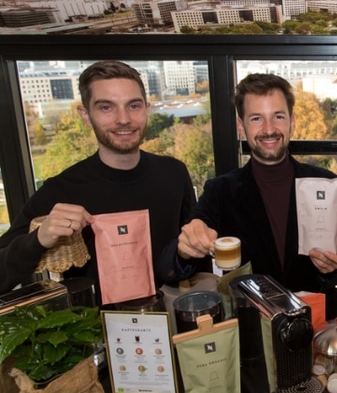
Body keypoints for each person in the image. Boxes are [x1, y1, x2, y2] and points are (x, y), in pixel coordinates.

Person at [0, 60, 196, 304]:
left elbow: (191, 251)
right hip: (91, 335)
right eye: (106, 108)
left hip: (170, 326)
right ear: (86, 115)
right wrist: (39, 238)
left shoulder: (174, 173)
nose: (123, 119)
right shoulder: (60, 190)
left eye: (133, 106)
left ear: (146, 109)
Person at [164, 73, 337, 318]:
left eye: (278, 116)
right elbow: (172, 267)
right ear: (241, 127)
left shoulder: (325, 183)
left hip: (315, 327)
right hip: (252, 333)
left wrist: (333, 267)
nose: (269, 129)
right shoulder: (220, 191)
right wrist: (185, 247)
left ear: (292, 122)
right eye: (256, 119)